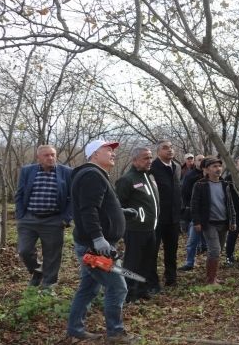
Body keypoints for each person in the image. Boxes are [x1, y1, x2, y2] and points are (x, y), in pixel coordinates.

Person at [66, 140, 139, 343]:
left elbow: (98, 206)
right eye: (108, 150)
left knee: (88, 288)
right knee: (118, 287)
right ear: (94, 154)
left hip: (97, 244)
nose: (113, 153)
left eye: (113, 150)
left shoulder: (96, 175)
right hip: (97, 248)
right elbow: (87, 210)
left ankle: (75, 329)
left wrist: (122, 213)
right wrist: (98, 239)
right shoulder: (91, 174)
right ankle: (115, 333)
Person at [15, 145, 72, 288]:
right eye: (46, 155)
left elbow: (73, 198)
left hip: (53, 219)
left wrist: (66, 218)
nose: (50, 158)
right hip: (29, 218)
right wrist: (21, 215)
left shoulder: (66, 172)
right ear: (38, 158)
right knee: (24, 250)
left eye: (53, 154)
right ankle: (37, 270)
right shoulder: (28, 171)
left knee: (52, 255)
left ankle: (48, 284)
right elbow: (20, 194)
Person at [115, 147, 160, 303]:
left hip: (150, 229)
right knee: (132, 263)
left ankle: (141, 289)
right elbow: (118, 206)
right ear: (135, 161)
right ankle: (128, 292)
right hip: (134, 229)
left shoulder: (150, 177)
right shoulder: (127, 180)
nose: (149, 161)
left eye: (150, 157)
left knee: (146, 262)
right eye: (145, 158)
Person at [190, 156, 236, 284]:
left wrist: (233, 220)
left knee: (218, 250)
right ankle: (210, 279)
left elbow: (230, 204)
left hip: (224, 222)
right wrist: (197, 221)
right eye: (214, 167)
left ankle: (213, 276)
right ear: (206, 169)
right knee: (215, 250)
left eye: (219, 166)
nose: (218, 169)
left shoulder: (225, 184)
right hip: (209, 223)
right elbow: (195, 204)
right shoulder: (200, 185)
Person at [149, 140, 182, 288]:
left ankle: (171, 278)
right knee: (152, 251)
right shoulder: (152, 167)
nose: (169, 150)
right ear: (158, 152)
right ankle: (152, 281)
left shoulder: (176, 167)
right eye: (165, 148)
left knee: (172, 250)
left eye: (171, 147)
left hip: (173, 217)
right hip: (156, 218)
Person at [179, 154, 209, 271]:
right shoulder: (190, 176)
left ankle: (210, 262)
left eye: (203, 160)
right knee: (192, 240)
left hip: (208, 213)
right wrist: (189, 207)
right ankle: (189, 262)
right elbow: (184, 193)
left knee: (209, 240)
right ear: (195, 162)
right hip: (194, 212)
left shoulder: (209, 174)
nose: (201, 162)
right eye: (199, 160)